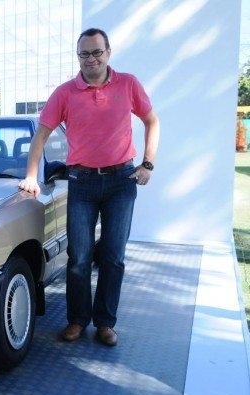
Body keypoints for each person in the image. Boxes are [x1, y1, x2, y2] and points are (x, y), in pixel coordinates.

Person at [19, 28, 160, 346]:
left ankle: (105, 323)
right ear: (78, 56)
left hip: (121, 182)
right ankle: (78, 320)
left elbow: (152, 120)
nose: (91, 59)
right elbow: (40, 135)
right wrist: (30, 175)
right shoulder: (65, 93)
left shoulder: (128, 84)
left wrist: (147, 164)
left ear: (108, 52)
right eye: (84, 53)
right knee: (79, 257)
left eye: (97, 52)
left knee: (113, 256)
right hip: (81, 183)